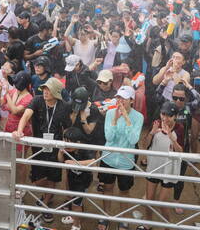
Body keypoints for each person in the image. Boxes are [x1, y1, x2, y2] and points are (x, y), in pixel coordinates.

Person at [13, 78, 71, 224]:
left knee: (52, 176)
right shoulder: (37, 100)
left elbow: (67, 128)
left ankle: (46, 204)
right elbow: (26, 115)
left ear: (56, 92)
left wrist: (66, 145)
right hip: (38, 147)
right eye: (44, 88)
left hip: (55, 148)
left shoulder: (63, 106)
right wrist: (19, 131)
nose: (45, 91)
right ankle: (48, 195)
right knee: (38, 179)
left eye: (48, 89)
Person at [98, 86, 143, 230]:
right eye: (118, 97)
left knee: (124, 191)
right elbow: (108, 137)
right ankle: (106, 216)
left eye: (123, 98)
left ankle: (123, 218)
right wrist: (115, 120)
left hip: (126, 161)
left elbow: (133, 140)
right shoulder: (111, 113)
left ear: (132, 100)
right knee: (107, 188)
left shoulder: (138, 117)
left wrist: (127, 119)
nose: (120, 100)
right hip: (108, 158)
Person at [140, 102, 183, 230]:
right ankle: (148, 223)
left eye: (169, 115)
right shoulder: (156, 124)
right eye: (163, 114)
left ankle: (167, 226)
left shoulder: (179, 129)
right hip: (154, 166)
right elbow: (144, 145)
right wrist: (152, 133)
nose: (165, 118)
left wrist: (171, 137)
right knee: (149, 199)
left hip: (169, 170)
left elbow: (181, 152)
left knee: (162, 202)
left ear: (175, 116)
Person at [57, 127, 95, 230]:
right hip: (71, 179)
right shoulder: (67, 149)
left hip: (83, 181)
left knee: (76, 204)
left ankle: (76, 225)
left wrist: (75, 163)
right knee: (72, 199)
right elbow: (61, 161)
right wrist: (60, 152)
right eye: (65, 141)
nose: (66, 144)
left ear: (78, 142)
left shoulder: (86, 148)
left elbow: (93, 162)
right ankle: (73, 217)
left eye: (69, 142)